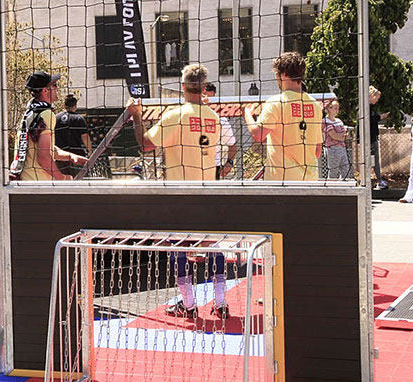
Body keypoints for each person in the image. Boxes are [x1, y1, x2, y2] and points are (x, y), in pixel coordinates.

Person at [127, 64, 229, 319]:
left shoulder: (176, 115)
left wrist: (136, 116)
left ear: (182, 86)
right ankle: (221, 302)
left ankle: (189, 304)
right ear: (204, 87)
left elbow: (145, 145)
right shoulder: (214, 117)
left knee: (178, 247)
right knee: (213, 245)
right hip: (207, 192)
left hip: (180, 194)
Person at [243, 52, 323, 181]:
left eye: (276, 74)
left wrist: (247, 113)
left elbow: (257, 134)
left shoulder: (276, 102)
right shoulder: (315, 105)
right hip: (309, 180)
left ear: (283, 74)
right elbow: (317, 151)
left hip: (282, 181)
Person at [9, 71, 88, 180]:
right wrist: (62, 178)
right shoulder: (47, 114)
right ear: (45, 90)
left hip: (22, 180)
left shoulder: (30, 112)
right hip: (37, 182)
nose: (56, 88)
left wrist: (70, 156)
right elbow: (44, 157)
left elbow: (43, 148)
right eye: (54, 85)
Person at [204, 83, 238, 179]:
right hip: (189, 166)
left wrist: (229, 163)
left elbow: (233, 146)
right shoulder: (186, 114)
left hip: (213, 167)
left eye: (211, 99)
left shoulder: (221, 119)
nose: (207, 102)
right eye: (204, 97)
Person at [54, 94, 91, 177]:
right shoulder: (79, 118)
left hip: (61, 156)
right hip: (77, 156)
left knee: (63, 181)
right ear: (75, 106)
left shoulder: (56, 118)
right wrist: (90, 150)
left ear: (64, 105)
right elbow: (85, 137)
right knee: (79, 181)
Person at [322, 99, 350, 180]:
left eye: (338, 108)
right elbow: (334, 136)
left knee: (345, 170)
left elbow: (345, 134)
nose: (337, 110)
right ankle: (331, 187)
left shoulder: (339, 121)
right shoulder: (325, 122)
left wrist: (342, 136)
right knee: (333, 171)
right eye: (335, 108)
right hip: (332, 149)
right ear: (328, 109)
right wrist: (341, 136)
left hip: (342, 148)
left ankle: (344, 186)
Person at [368, 86, 389, 189]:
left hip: (372, 137)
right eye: (376, 98)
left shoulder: (369, 108)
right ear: (372, 96)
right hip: (370, 139)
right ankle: (378, 180)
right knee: (374, 160)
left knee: (373, 160)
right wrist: (381, 117)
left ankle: (375, 179)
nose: (377, 100)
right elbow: (371, 119)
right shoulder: (365, 108)